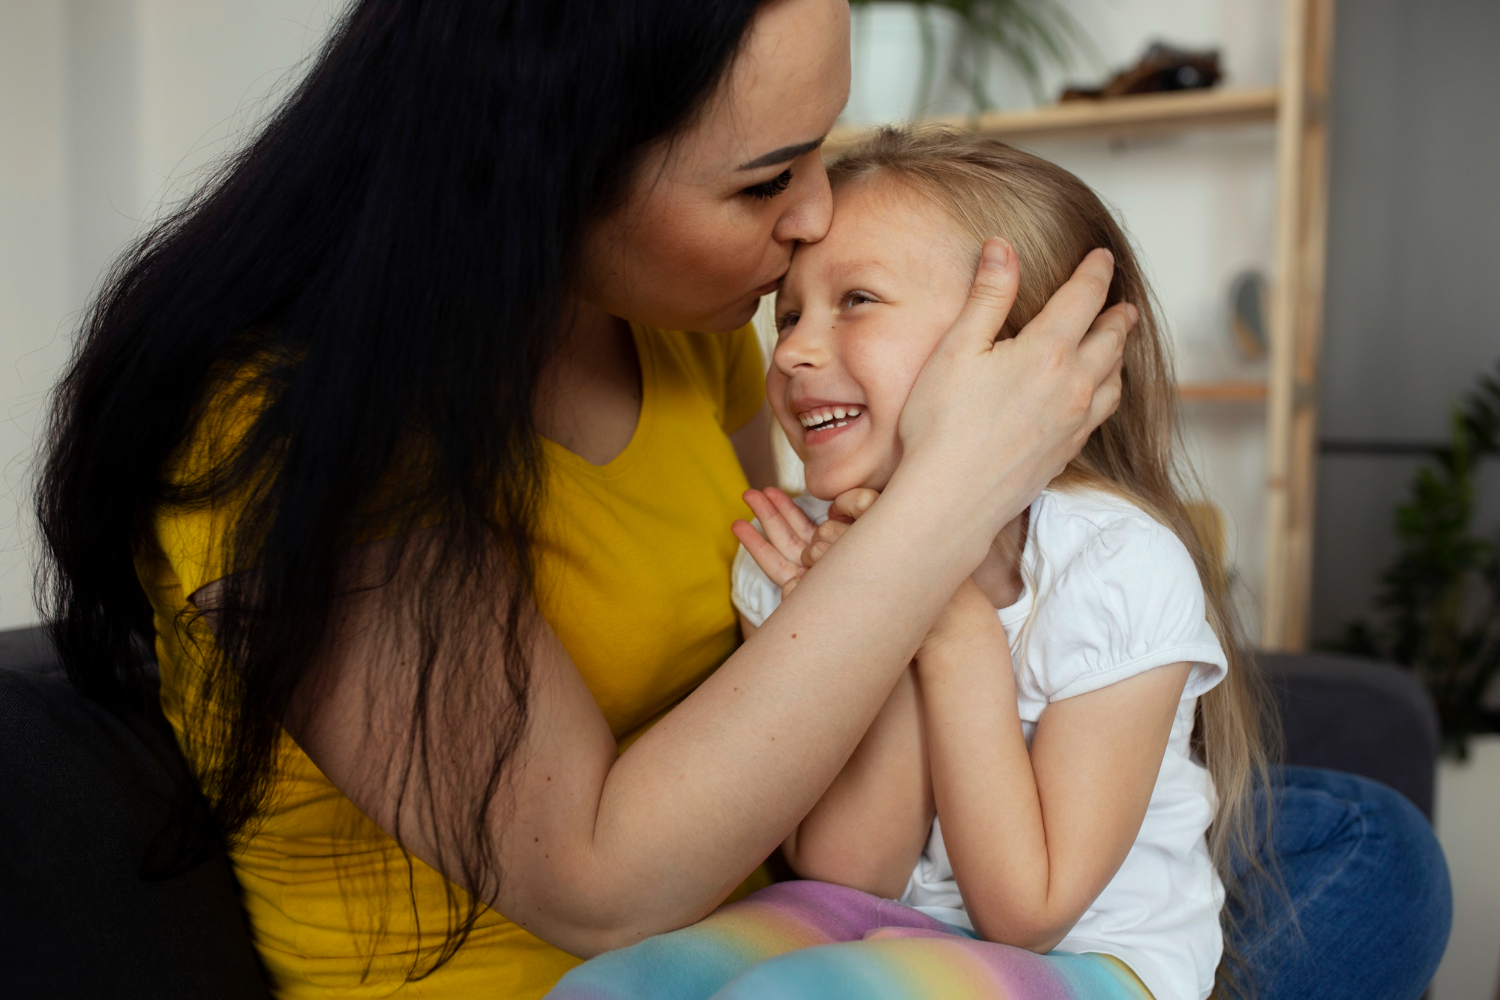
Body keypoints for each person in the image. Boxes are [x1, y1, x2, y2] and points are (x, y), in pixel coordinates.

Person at [34, 1, 1446, 999]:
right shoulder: (286, 431)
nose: (818, 214)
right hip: (614, 963)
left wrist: (918, 540)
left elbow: (829, 691)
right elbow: (596, 882)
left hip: (811, 917)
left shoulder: (690, 333)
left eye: (822, 149)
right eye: (769, 178)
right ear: (542, 177)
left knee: (1356, 841)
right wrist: (950, 500)